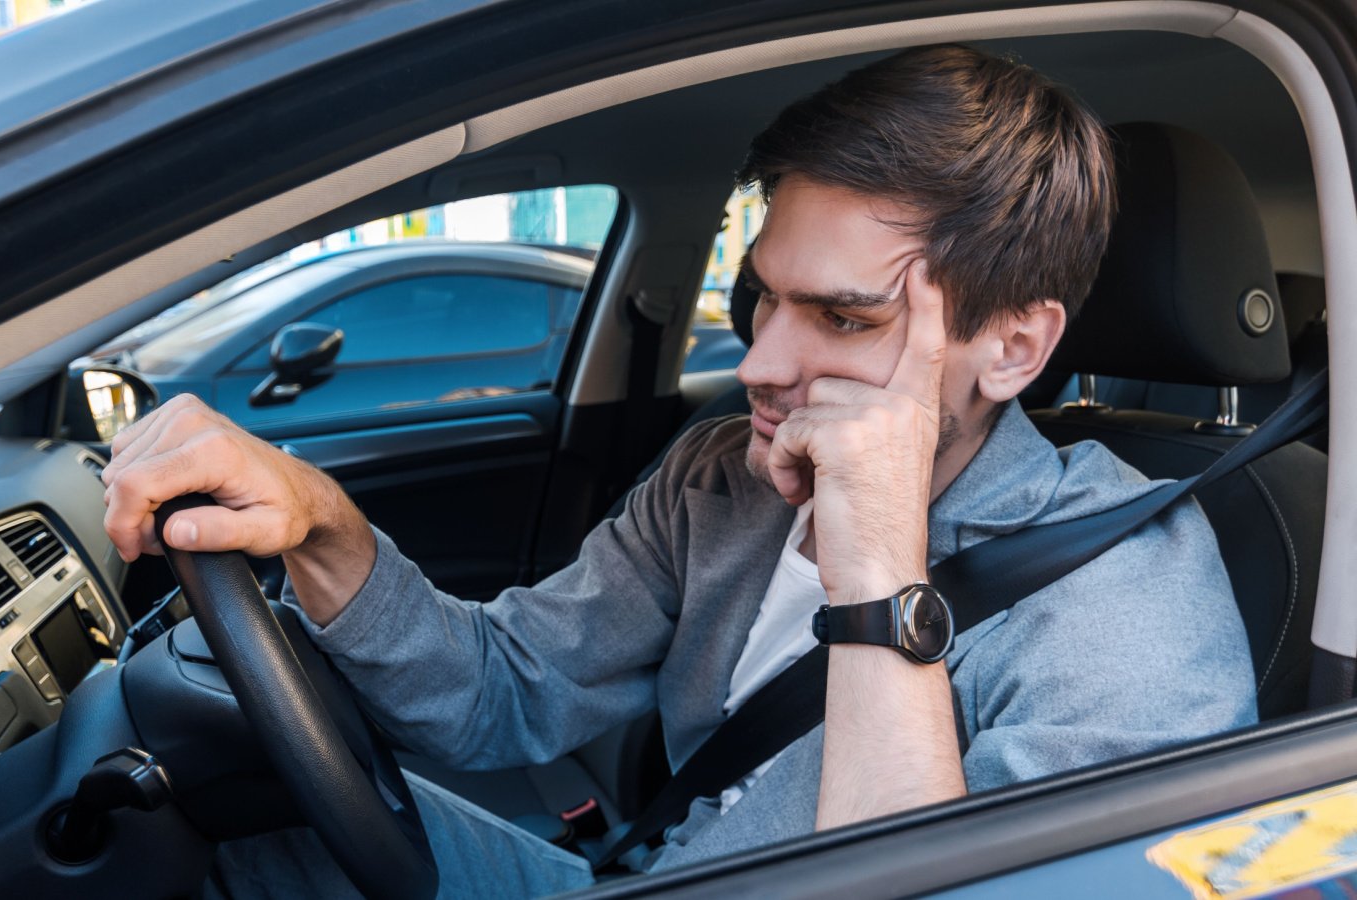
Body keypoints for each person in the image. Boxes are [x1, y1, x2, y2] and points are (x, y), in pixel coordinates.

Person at [101, 44, 1255, 898]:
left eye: (844, 319)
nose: (757, 362)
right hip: (648, 869)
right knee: (227, 837)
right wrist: (321, 525)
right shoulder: (724, 477)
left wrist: (875, 558)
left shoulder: (1124, 594)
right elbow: (503, 696)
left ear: (1013, 347)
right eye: (762, 296)